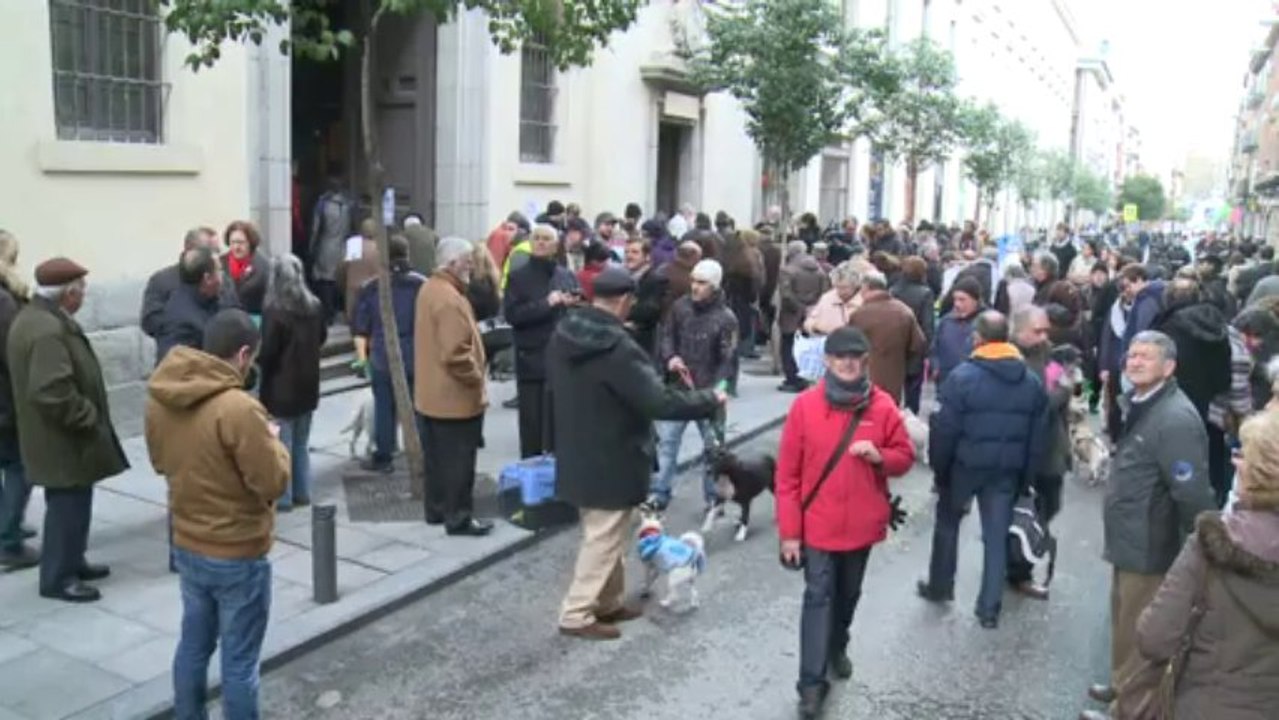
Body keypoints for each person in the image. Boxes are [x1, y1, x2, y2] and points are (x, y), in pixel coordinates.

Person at [549, 267, 725, 640]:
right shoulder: (617, 347)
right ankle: (577, 613)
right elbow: (656, 400)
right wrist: (709, 398)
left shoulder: (565, 334)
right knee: (603, 535)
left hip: (578, 447)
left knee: (610, 530)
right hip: (613, 452)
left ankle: (608, 602)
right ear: (626, 301)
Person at [144, 309, 290, 720]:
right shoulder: (238, 408)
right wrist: (275, 443)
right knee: (240, 662)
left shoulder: (163, 397)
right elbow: (273, 482)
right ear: (243, 355)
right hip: (236, 550)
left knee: (193, 645)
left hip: (188, 541)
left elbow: (160, 462)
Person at [776, 326, 915, 719]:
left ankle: (838, 644)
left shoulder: (883, 406)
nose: (848, 364)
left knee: (848, 595)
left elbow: (904, 457)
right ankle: (811, 684)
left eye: (855, 358)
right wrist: (790, 534)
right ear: (828, 361)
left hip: (861, 526)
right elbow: (787, 477)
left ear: (865, 362)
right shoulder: (804, 406)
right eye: (840, 357)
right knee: (818, 597)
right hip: (817, 525)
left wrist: (880, 457)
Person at [1081, 330, 1217, 715]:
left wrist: (1199, 548)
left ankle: (1129, 706)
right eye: (1132, 355)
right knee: (1123, 620)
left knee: (1140, 628)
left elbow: (1190, 492)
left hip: (1150, 543)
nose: (1135, 362)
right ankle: (1121, 682)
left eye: (1146, 357)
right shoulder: (1142, 402)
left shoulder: (1175, 419)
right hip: (1129, 536)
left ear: (1169, 367)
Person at [1124, 407, 1279, 720]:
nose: (1236, 462)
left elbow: (1155, 638)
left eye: (1243, 456)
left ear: (1259, 472)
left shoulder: (1212, 542)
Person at [918, 311, 1047, 629]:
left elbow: (944, 430)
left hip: (964, 466)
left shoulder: (961, 377)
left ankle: (940, 586)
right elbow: (1037, 438)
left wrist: (940, 469)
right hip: (1006, 470)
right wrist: (1026, 477)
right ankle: (989, 609)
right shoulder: (1030, 381)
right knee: (996, 536)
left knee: (948, 526)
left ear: (977, 338)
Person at [9, 258, 128, 602]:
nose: (85, 295)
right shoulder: (46, 329)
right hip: (60, 440)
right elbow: (51, 390)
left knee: (75, 503)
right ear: (68, 294)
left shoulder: (42, 318)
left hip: (58, 438)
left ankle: (73, 561)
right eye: (82, 289)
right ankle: (59, 577)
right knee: (66, 507)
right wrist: (87, 415)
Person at [414, 237, 493, 537]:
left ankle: (436, 510)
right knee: (459, 462)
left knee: (436, 459)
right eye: (467, 259)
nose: (472, 264)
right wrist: (475, 377)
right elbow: (455, 352)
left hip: (432, 395)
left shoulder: (430, 288)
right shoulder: (449, 297)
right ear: (451, 263)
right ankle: (458, 518)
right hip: (454, 397)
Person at [646, 259, 737, 513]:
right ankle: (660, 492)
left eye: (702, 283)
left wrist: (719, 390)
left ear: (715, 285)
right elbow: (667, 336)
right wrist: (670, 357)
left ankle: (713, 498)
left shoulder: (726, 318)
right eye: (693, 281)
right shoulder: (679, 307)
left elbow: (728, 359)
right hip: (678, 390)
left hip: (708, 394)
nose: (695, 287)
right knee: (667, 444)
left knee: (713, 449)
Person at [1006, 305, 1070, 599]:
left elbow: (1064, 385)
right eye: (1038, 331)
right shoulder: (1010, 359)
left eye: (1046, 330)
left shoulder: (1050, 353)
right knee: (1025, 512)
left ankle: (1015, 561)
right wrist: (1062, 391)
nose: (1045, 336)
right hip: (1021, 451)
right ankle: (1018, 571)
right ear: (1019, 331)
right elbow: (1037, 403)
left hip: (1051, 449)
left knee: (1049, 506)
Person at [503, 224, 581, 457]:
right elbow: (513, 315)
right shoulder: (518, 277)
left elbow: (576, 313)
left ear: (555, 245)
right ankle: (531, 480)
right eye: (536, 238)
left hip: (561, 359)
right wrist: (546, 303)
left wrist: (573, 303)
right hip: (531, 360)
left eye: (546, 239)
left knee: (559, 426)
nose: (541, 243)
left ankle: (558, 479)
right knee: (532, 427)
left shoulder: (565, 275)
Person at [351, 235, 426, 472]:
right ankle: (419, 451)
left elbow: (361, 328)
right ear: (407, 255)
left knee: (384, 405)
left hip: (383, 354)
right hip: (416, 353)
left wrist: (362, 360)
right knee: (418, 405)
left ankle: (385, 454)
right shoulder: (422, 285)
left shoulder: (372, 287)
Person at [258, 254, 326, 511]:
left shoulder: (274, 311)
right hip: (308, 385)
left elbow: (269, 352)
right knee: (300, 443)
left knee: (281, 445)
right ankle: (302, 492)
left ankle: (284, 497)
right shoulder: (315, 306)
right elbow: (321, 337)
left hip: (281, 388)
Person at [0, 231, 34, 569]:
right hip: (5, 403)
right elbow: (13, 353)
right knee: (18, 467)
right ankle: (8, 540)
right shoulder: (4, 301)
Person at [140, 227, 237, 339]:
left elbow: (235, 313)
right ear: (190, 251)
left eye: (217, 251)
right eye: (209, 251)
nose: (216, 256)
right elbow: (150, 321)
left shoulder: (223, 280)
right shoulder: (162, 281)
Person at [850, 271, 925, 404]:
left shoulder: (859, 314)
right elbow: (918, 343)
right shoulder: (904, 311)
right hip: (895, 378)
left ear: (866, 288)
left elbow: (847, 345)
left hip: (863, 378)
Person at [777, 241, 829, 392]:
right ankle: (805, 377)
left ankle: (792, 380)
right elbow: (825, 293)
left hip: (791, 316)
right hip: (812, 316)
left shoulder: (787, 270)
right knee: (808, 348)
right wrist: (812, 309)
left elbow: (786, 295)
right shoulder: (819, 270)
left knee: (788, 347)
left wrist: (800, 308)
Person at [891, 256, 936, 414]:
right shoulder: (925, 293)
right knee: (913, 390)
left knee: (893, 390)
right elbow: (927, 323)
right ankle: (910, 423)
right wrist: (929, 350)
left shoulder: (893, 291)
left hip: (895, 345)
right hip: (916, 346)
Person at [310, 175, 355, 323]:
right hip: (342, 245)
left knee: (325, 280)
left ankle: (328, 314)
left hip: (326, 245)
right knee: (339, 279)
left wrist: (311, 248)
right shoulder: (348, 204)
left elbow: (316, 229)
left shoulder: (323, 204)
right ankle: (338, 310)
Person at [930, 277, 984, 387]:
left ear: (975, 300)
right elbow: (934, 348)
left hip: (975, 385)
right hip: (947, 384)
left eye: (962, 299)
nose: (957, 304)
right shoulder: (946, 321)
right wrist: (935, 367)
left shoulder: (986, 322)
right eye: (955, 299)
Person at [623, 237, 668, 359]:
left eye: (634, 252)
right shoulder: (625, 278)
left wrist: (623, 311)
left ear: (647, 256)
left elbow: (649, 311)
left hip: (644, 344)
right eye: (626, 252)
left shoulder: (656, 280)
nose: (629, 256)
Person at [222, 220, 271, 319]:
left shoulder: (264, 266)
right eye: (233, 242)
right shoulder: (220, 264)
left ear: (250, 243)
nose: (236, 247)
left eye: (240, 242)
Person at [804, 263, 861, 336]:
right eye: (837, 287)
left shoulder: (863, 301)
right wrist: (812, 327)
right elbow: (813, 317)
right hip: (824, 338)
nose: (840, 291)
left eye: (845, 288)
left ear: (855, 286)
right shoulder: (827, 297)